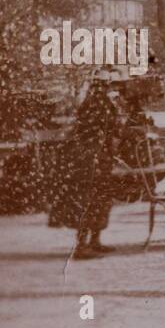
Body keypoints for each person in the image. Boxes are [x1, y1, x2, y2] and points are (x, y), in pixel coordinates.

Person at [47, 67, 127, 258]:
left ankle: (93, 240)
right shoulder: (96, 104)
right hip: (91, 159)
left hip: (98, 157)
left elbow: (111, 129)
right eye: (106, 85)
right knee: (89, 200)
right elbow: (98, 130)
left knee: (100, 199)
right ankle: (83, 244)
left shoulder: (102, 103)